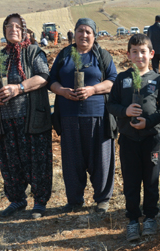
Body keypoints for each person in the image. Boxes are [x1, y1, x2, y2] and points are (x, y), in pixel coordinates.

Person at [0, 13, 52, 218]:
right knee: (11, 161)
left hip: (31, 118)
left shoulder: (33, 52)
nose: (13, 29)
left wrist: (18, 88)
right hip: (6, 118)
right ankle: (17, 200)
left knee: (37, 160)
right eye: (9, 26)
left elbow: (43, 77)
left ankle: (40, 201)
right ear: (4, 31)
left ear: (24, 30)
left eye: (17, 26)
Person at [48, 18, 118, 215]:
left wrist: (93, 90)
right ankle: (74, 200)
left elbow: (113, 80)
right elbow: (51, 80)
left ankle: (102, 199)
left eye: (88, 31)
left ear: (94, 35)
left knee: (101, 159)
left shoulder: (102, 55)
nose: (84, 35)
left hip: (98, 115)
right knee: (72, 160)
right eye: (80, 31)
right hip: (69, 116)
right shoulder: (65, 54)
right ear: (74, 33)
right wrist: (61, 91)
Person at [108, 34, 160, 241]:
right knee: (131, 181)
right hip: (128, 139)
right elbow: (111, 104)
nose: (139, 55)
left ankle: (151, 217)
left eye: (143, 51)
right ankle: (133, 219)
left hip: (151, 138)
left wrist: (149, 122)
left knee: (151, 180)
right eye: (134, 51)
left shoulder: (158, 79)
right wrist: (125, 111)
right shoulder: (122, 78)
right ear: (128, 55)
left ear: (151, 54)